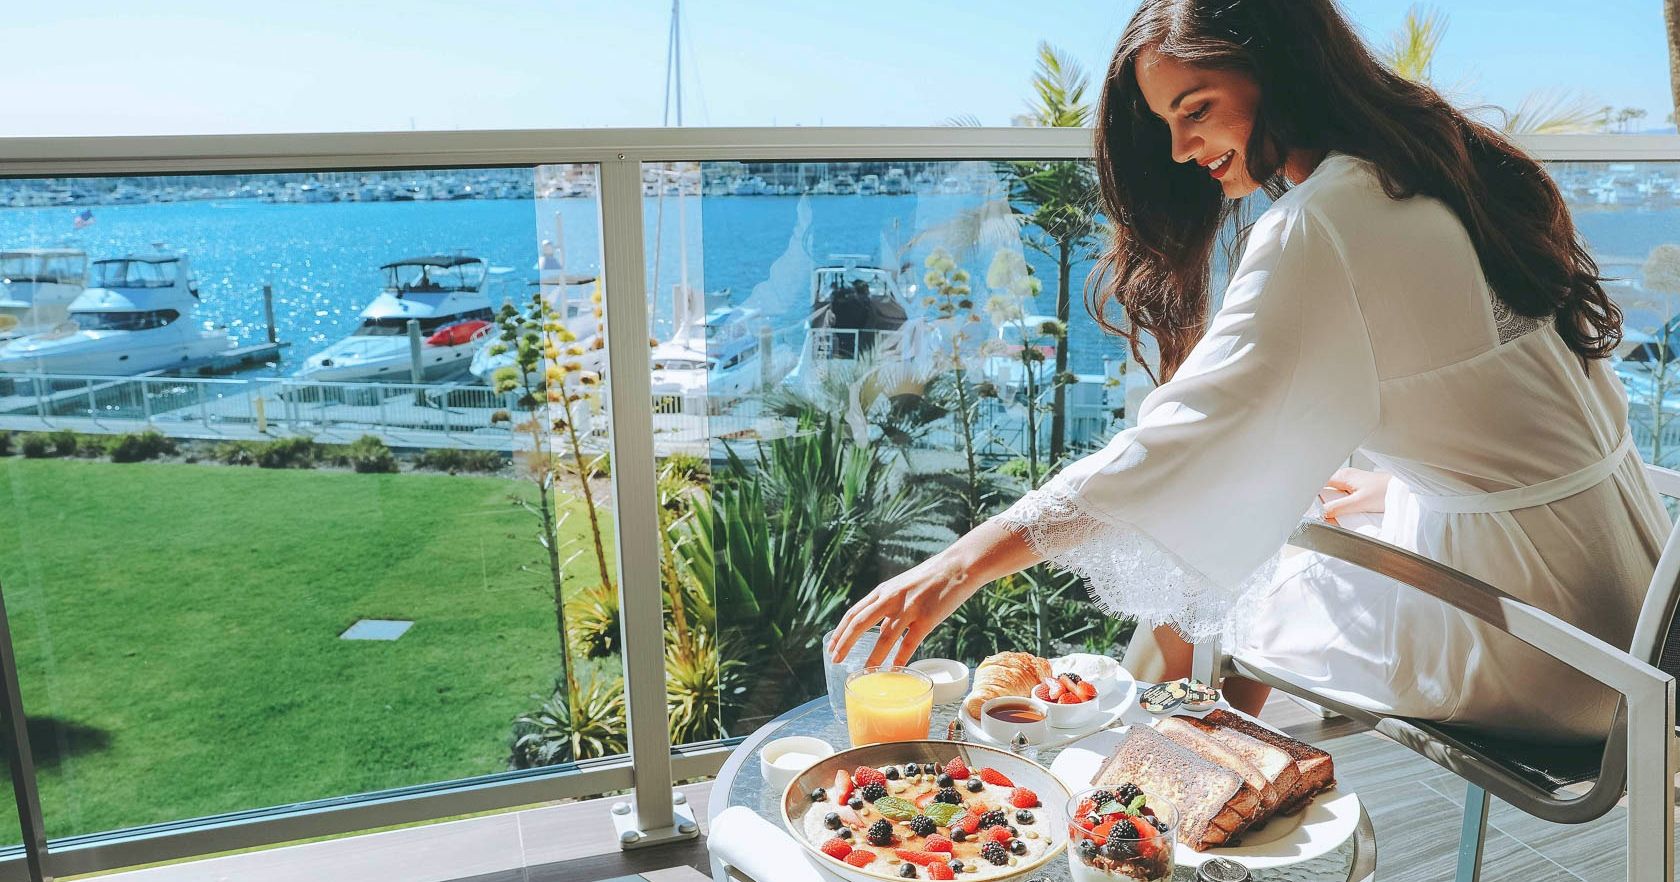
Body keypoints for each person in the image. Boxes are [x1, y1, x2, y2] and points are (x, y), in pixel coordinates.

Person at [828, 0, 1666, 744]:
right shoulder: (1434, 165)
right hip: (1638, 599)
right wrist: (1395, 488)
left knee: (1219, 577)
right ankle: (1162, 805)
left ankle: (1146, 810)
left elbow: (1181, 442)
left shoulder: (1326, 221)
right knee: (1250, 531)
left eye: (1197, 109)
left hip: (1552, 646)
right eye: (1166, 125)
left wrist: (960, 563)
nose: (1183, 148)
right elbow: (1514, 392)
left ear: (1282, 70)